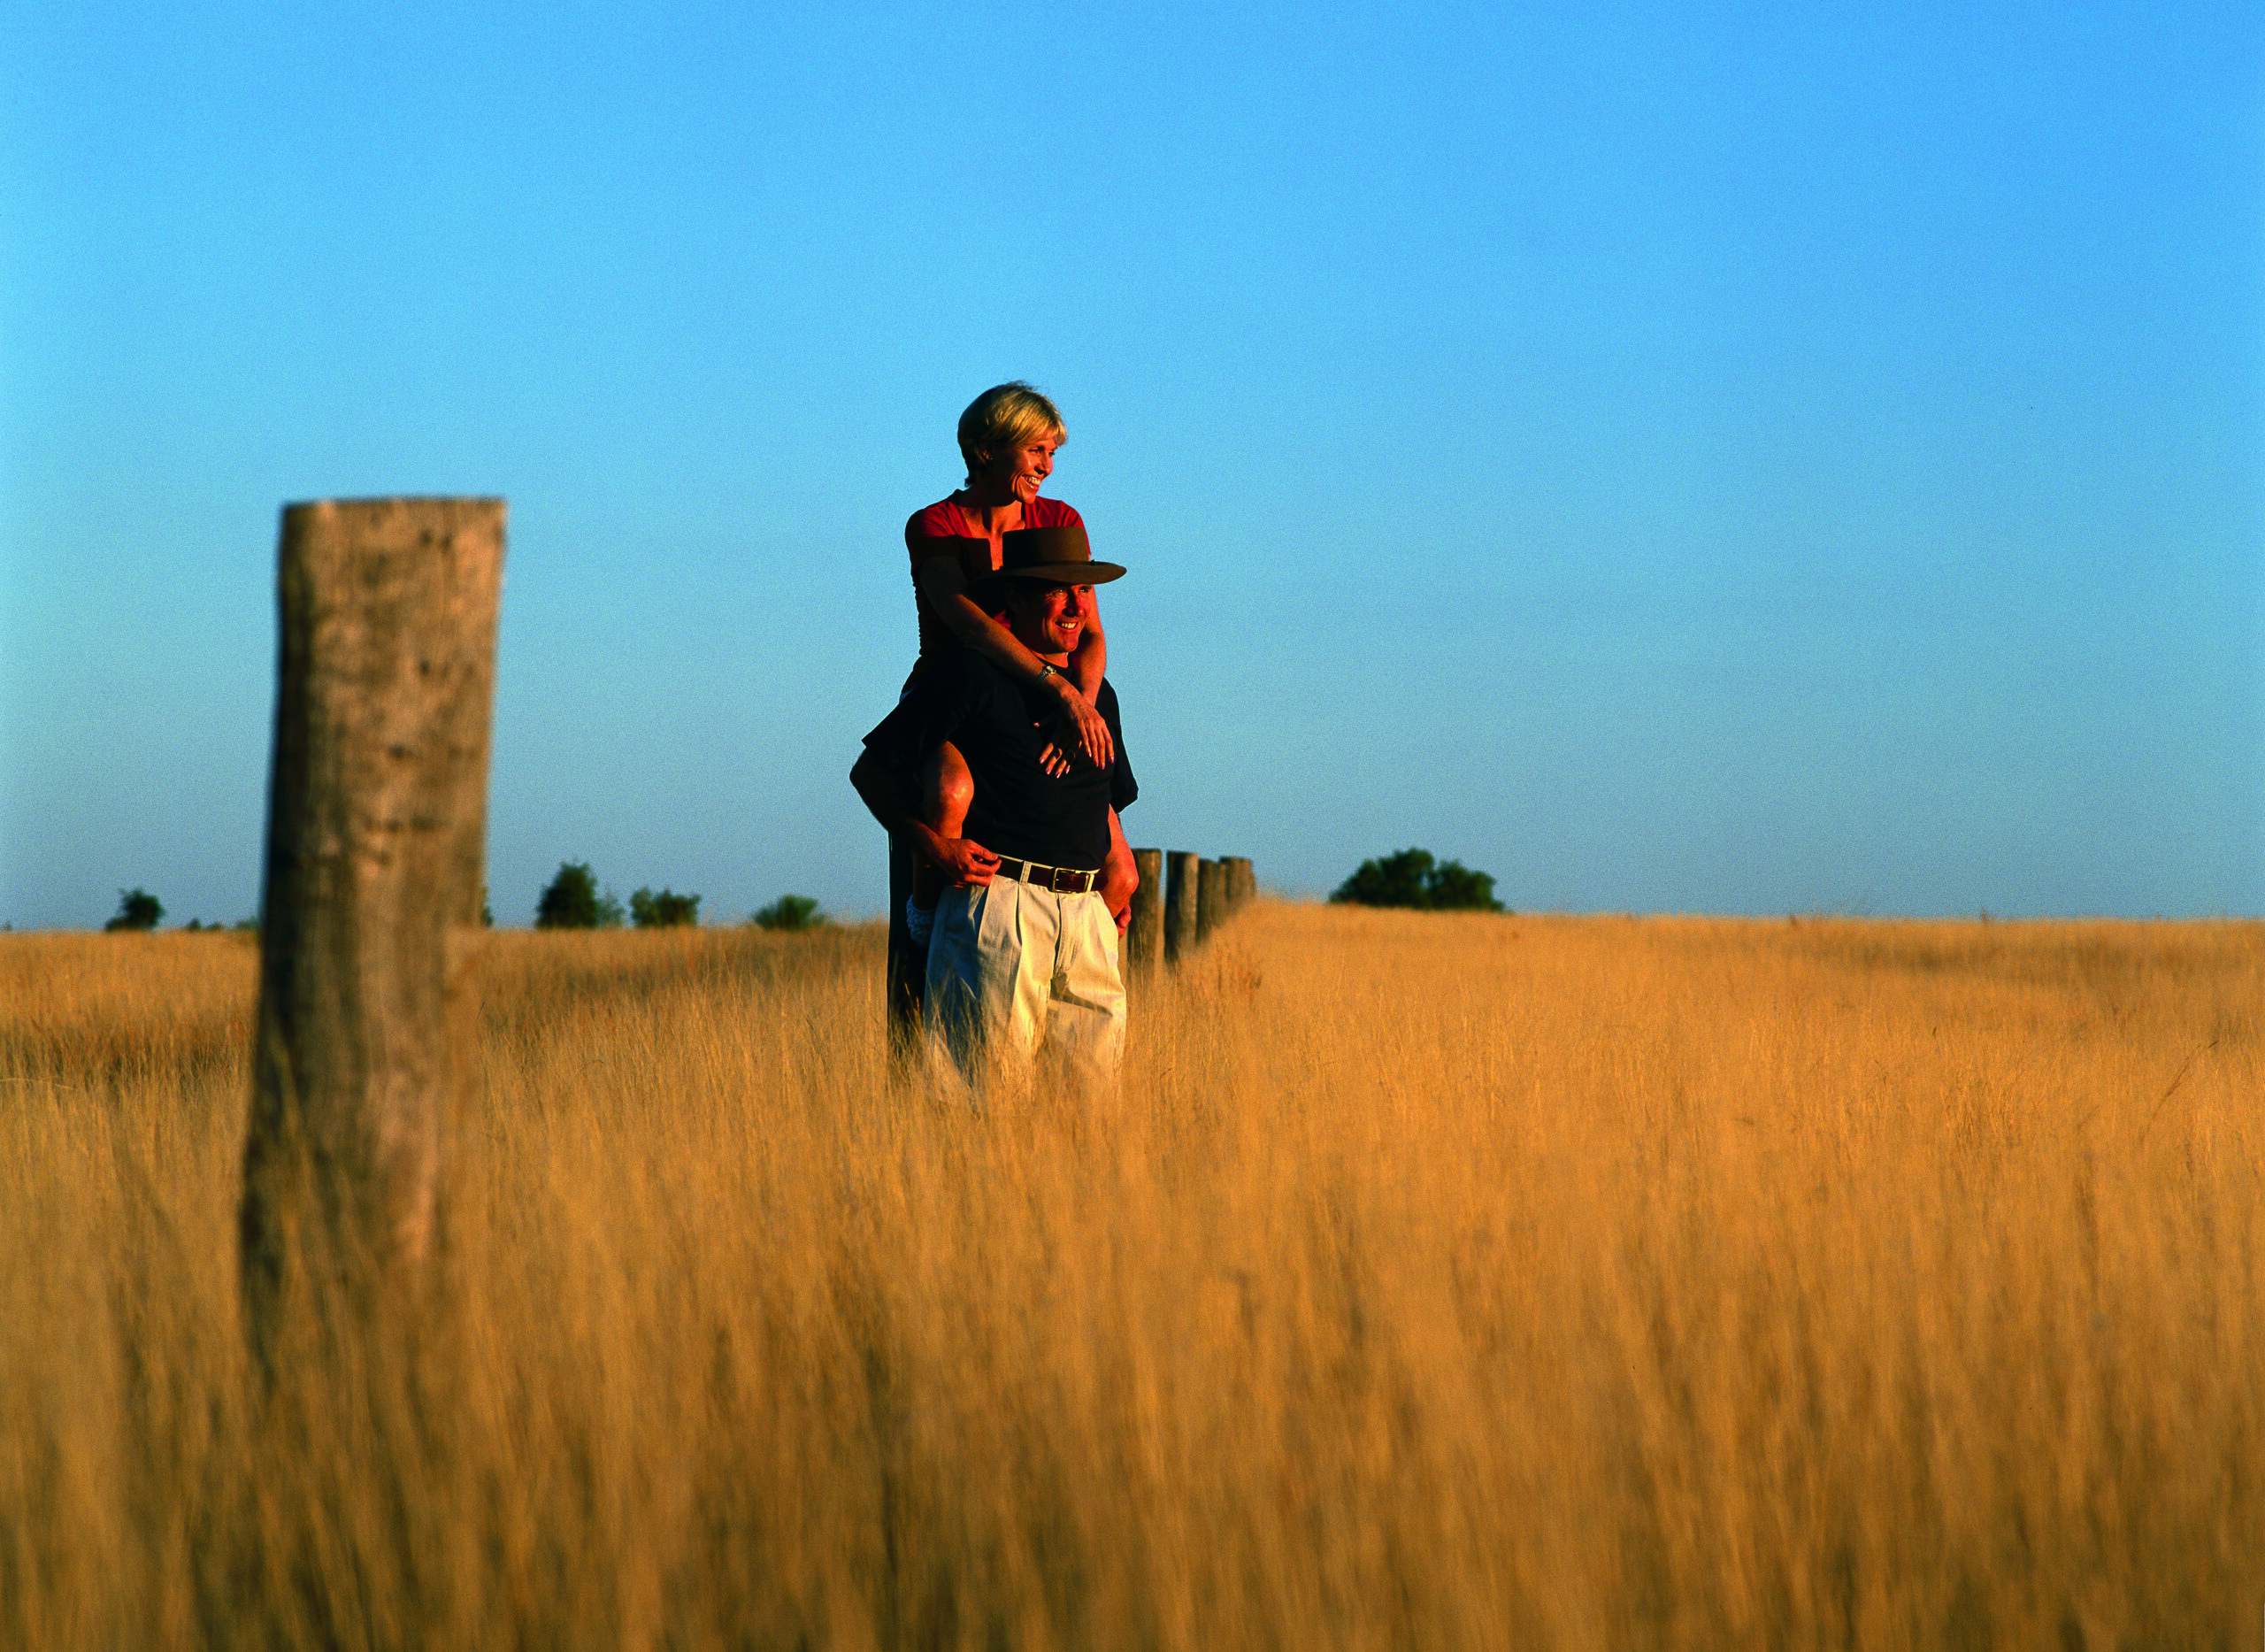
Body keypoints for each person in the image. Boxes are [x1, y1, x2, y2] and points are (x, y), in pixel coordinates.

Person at [887, 383, 1133, 1042]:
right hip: (957, 685)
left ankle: (1081, 978)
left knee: (1121, 866)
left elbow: (1090, 632)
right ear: (986, 448)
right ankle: (924, 920)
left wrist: (1077, 698)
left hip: (1050, 692)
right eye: (1035, 449)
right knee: (950, 791)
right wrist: (1053, 692)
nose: (1046, 466)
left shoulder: (1059, 517)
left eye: (1051, 452)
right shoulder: (934, 524)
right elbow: (967, 626)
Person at [856, 525, 1137, 1097]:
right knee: (985, 1109)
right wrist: (933, 847)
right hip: (999, 908)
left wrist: (1109, 899)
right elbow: (872, 773)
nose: (1075, 605)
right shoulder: (970, 675)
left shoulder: (1099, 697)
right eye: (1056, 590)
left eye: (1083, 591)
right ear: (1015, 601)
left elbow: (1106, 807)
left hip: (1086, 919)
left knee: (1093, 1115)